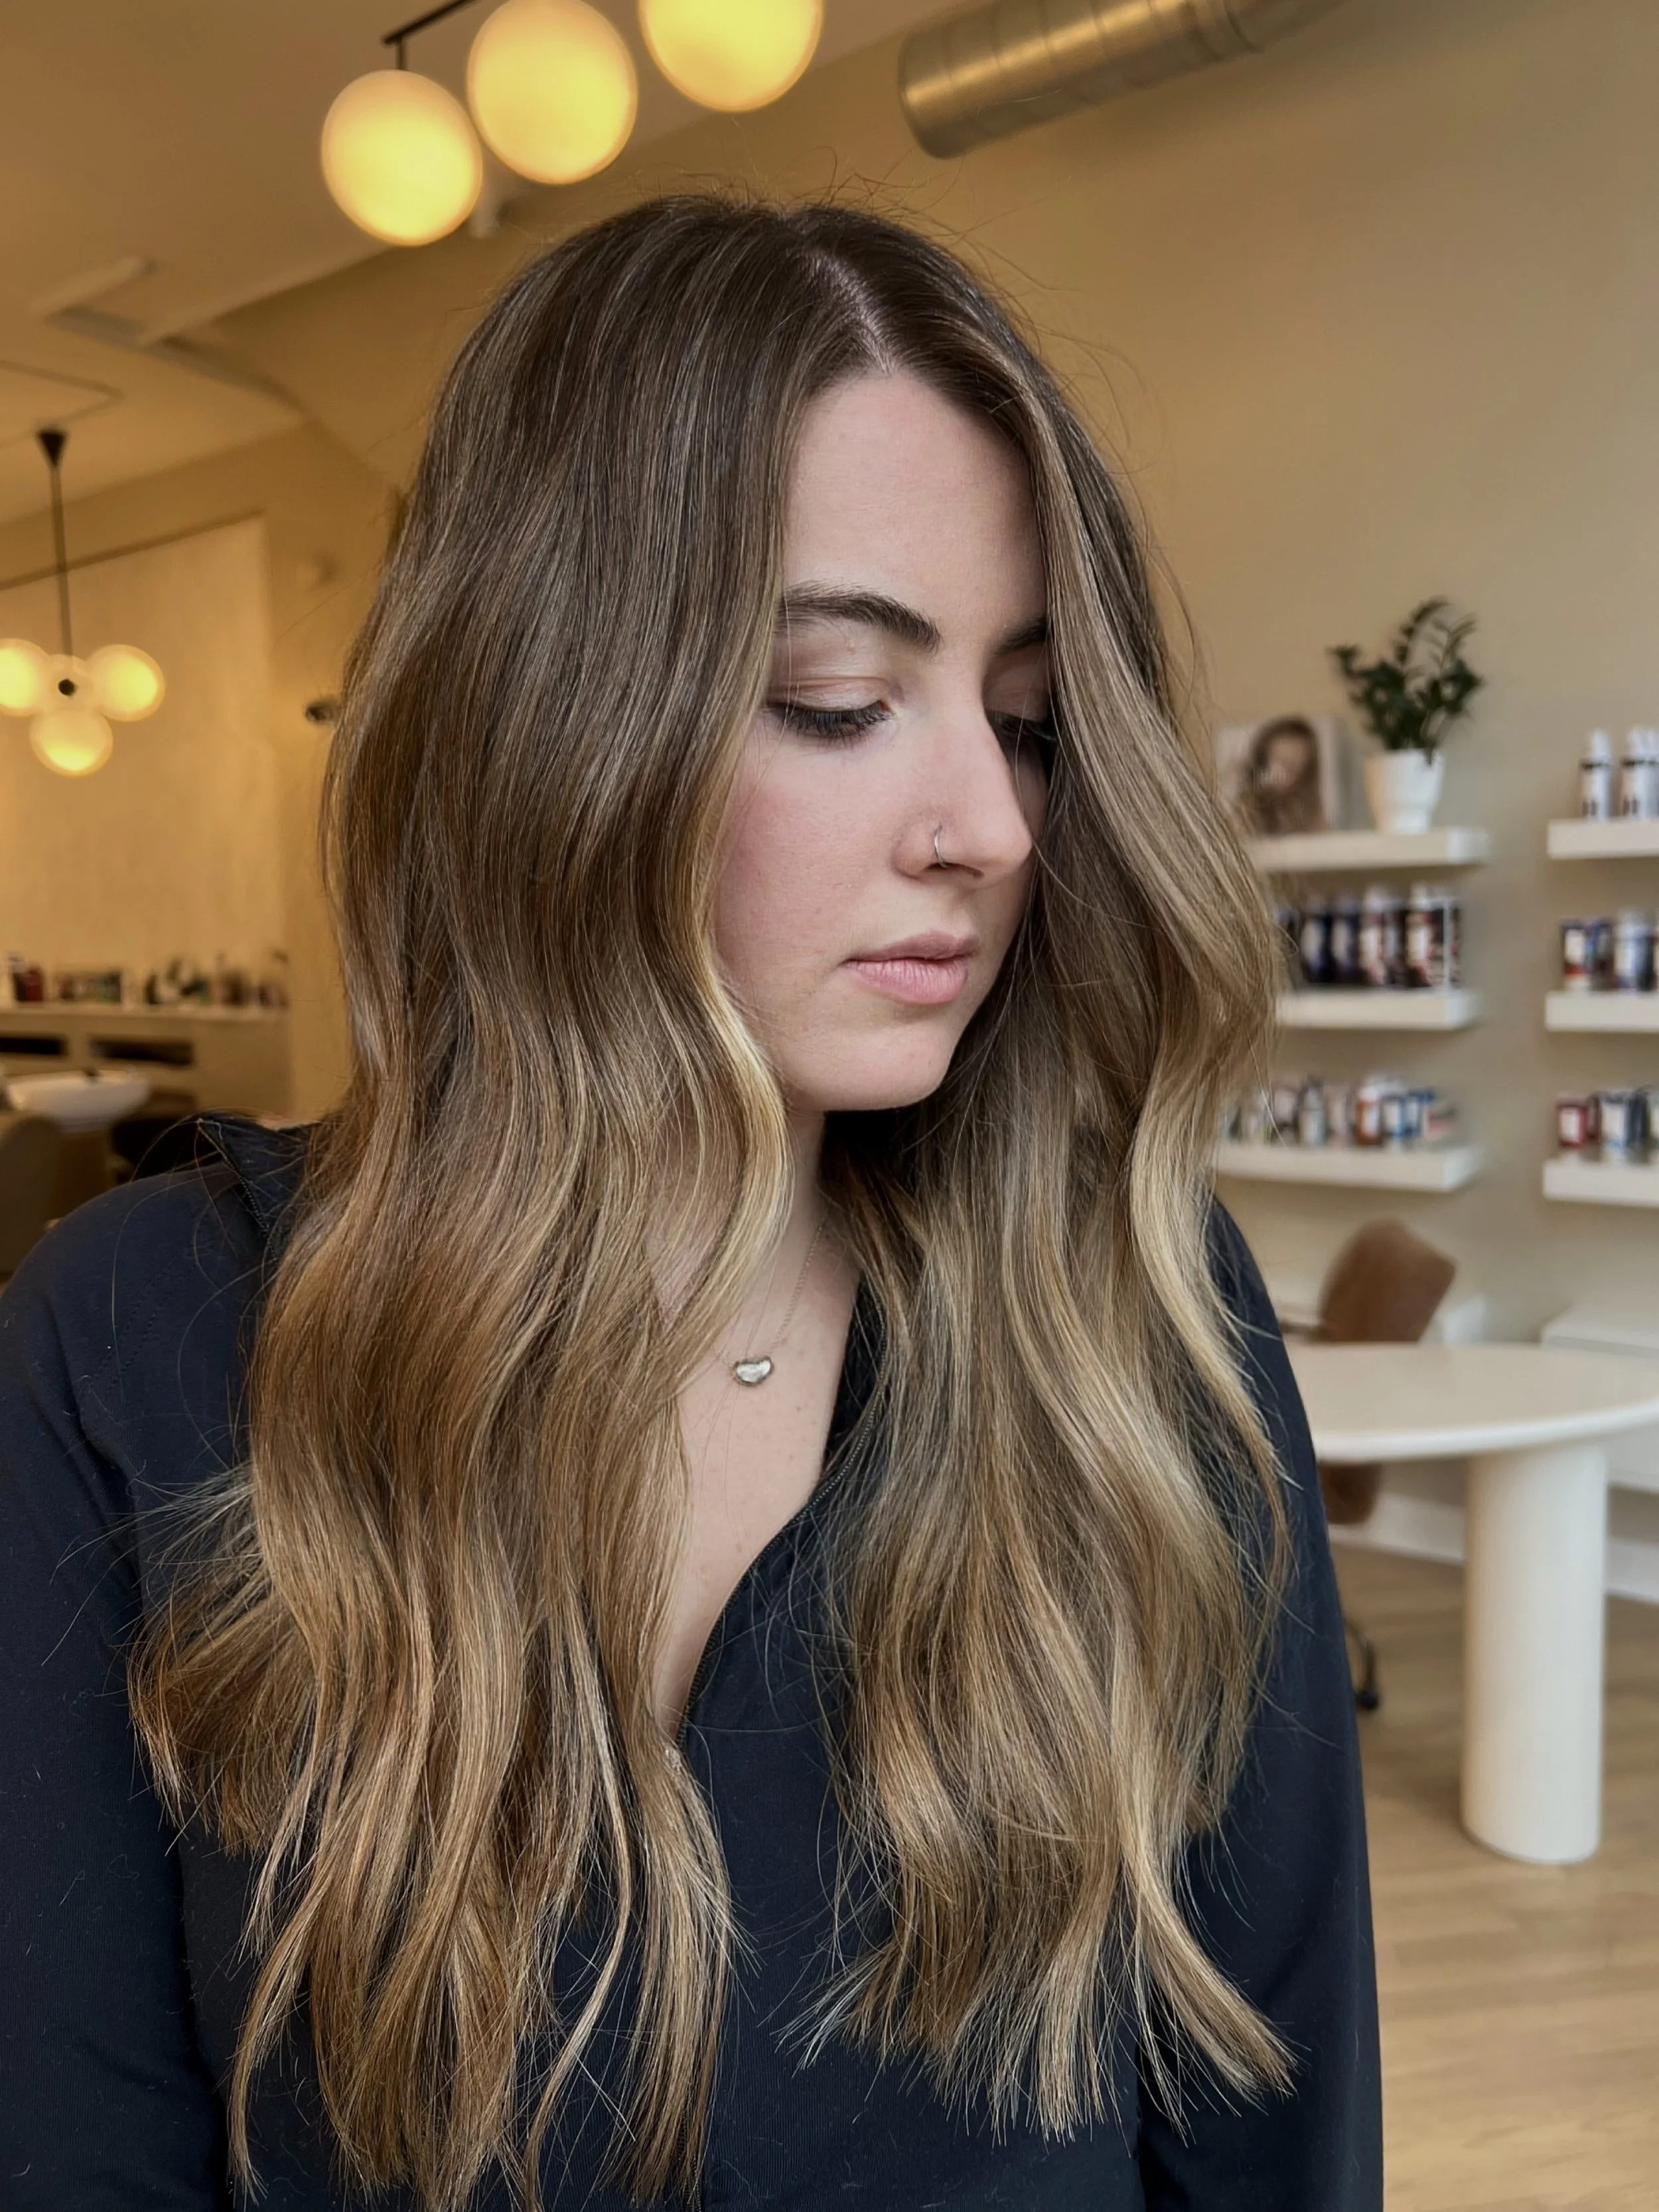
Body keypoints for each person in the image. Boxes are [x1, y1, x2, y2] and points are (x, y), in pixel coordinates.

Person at [0, 196, 1380, 2210]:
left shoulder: (1129, 1323)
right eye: (838, 698)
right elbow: (76, 2123)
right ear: (549, 722)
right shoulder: (136, 1334)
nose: (990, 829)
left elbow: (1272, 2134)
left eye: (1025, 720)